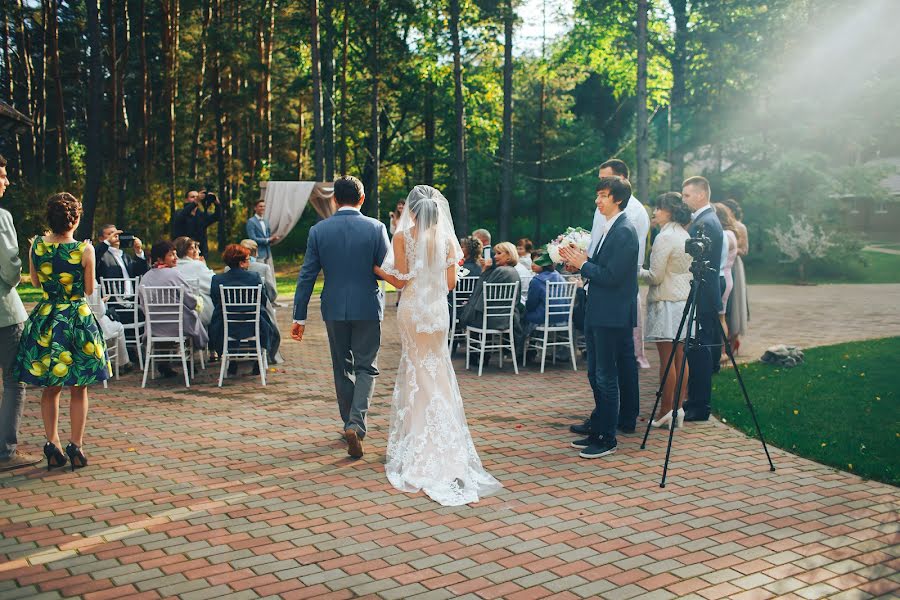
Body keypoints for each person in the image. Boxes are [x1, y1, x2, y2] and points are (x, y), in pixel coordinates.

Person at [375, 185, 502, 506]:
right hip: (437, 312)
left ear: (413, 212)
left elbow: (401, 280)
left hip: (413, 309)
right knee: (437, 371)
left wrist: (376, 270)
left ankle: (419, 436)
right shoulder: (447, 241)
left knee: (416, 370)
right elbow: (449, 284)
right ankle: (444, 432)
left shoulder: (403, 238)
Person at [292, 175, 390, 460]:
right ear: (362, 199)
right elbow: (387, 267)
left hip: (333, 308)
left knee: (341, 367)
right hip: (368, 308)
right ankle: (356, 424)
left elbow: (307, 275)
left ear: (334, 200)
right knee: (367, 367)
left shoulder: (319, 231)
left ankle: (349, 423)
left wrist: (299, 317)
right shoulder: (376, 227)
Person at [15, 193, 110, 471]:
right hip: (76, 317)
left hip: (46, 317)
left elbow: (34, 280)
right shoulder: (85, 250)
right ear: (76, 218)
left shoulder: (36, 247)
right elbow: (90, 290)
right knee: (79, 386)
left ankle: (52, 443)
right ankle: (76, 444)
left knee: (51, 386)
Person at [561, 177, 639, 459]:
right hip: (598, 311)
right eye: (597, 195)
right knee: (595, 373)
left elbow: (613, 276)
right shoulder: (609, 228)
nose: (598, 200)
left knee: (606, 377)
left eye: (603, 195)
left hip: (612, 314)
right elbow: (601, 268)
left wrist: (584, 264)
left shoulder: (625, 231)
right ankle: (598, 429)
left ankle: (608, 437)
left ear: (617, 198)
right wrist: (582, 262)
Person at [590, 159, 651, 370]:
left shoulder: (630, 216)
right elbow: (598, 242)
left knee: (617, 361)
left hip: (616, 291)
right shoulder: (604, 207)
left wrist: (585, 265)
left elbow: (619, 261)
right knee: (607, 361)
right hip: (598, 278)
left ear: (621, 179)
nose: (598, 196)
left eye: (605, 180)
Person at [0, 155, 40, 471]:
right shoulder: (1, 216)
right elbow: (11, 266)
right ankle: (6, 450)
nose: (7, 181)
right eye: (3, 175)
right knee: (15, 381)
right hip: (4, 312)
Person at [640, 192, 692, 429]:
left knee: (667, 360)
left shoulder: (664, 237)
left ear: (669, 211)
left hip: (666, 302)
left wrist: (633, 270)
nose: (655, 212)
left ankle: (665, 411)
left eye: (658, 209)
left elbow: (655, 276)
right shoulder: (684, 233)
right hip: (683, 301)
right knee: (681, 358)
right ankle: (678, 408)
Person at [681, 176, 724, 422]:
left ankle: (700, 405)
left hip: (703, 293)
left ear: (700, 195)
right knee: (697, 348)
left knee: (700, 350)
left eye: (687, 195)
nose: (684, 200)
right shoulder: (705, 220)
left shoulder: (705, 223)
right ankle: (695, 400)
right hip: (705, 291)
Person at [138, 240, 209, 378]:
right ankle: (189, 362)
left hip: (155, 327)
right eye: (171, 255)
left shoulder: (145, 278)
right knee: (193, 316)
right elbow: (189, 300)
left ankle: (163, 363)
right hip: (178, 327)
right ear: (159, 258)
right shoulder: (175, 275)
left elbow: (142, 306)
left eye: (176, 254)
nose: (176, 258)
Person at [210, 244, 280, 374]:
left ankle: (232, 360)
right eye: (248, 259)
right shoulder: (254, 277)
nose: (249, 262)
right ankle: (257, 361)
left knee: (217, 319)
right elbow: (263, 301)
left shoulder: (217, 279)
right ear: (241, 263)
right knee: (263, 320)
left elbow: (215, 301)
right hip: (253, 325)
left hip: (226, 326)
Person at [458, 242, 523, 344]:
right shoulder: (513, 271)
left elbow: (480, 294)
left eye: (499, 253)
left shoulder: (500, 272)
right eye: (495, 253)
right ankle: (483, 356)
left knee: (469, 316)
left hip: (492, 320)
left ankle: (476, 357)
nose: (495, 256)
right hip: (508, 318)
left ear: (509, 256)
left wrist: (484, 271)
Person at [722, 198, 749, 353]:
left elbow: (744, 250)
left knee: (735, 302)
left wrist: (730, 249)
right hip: (723, 264)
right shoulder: (722, 226)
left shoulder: (740, 227)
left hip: (734, 266)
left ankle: (733, 339)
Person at [173, 236, 215, 326]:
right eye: (192, 249)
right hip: (196, 313)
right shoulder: (197, 265)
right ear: (183, 250)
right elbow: (213, 285)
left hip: (175, 314)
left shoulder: (172, 266)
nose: (197, 251)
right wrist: (204, 265)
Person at [523, 252, 565, 338]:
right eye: (532, 261)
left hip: (545, 316)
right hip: (563, 315)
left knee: (520, 315)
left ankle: (523, 345)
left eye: (537, 262)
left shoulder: (537, 280)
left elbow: (531, 304)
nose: (532, 264)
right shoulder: (559, 276)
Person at [715, 203, 738, 355]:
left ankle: (722, 350)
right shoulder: (731, 233)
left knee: (721, 317)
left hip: (724, 274)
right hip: (728, 275)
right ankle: (722, 349)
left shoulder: (726, 235)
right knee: (721, 316)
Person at [173, 189, 220, 257]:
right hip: (183, 252)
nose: (196, 198)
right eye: (193, 197)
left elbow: (217, 217)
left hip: (200, 252)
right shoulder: (179, 213)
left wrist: (217, 203)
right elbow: (182, 216)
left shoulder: (201, 215)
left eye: (197, 196)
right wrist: (195, 202)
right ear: (186, 200)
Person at [245, 199, 279, 271]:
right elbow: (252, 239)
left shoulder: (266, 221)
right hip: (257, 253)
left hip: (267, 252)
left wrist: (273, 239)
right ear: (255, 208)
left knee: (269, 274)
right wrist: (268, 239)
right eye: (260, 206)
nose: (262, 208)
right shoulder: (251, 221)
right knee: (260, 273)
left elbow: (268, 236)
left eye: (264, 206)